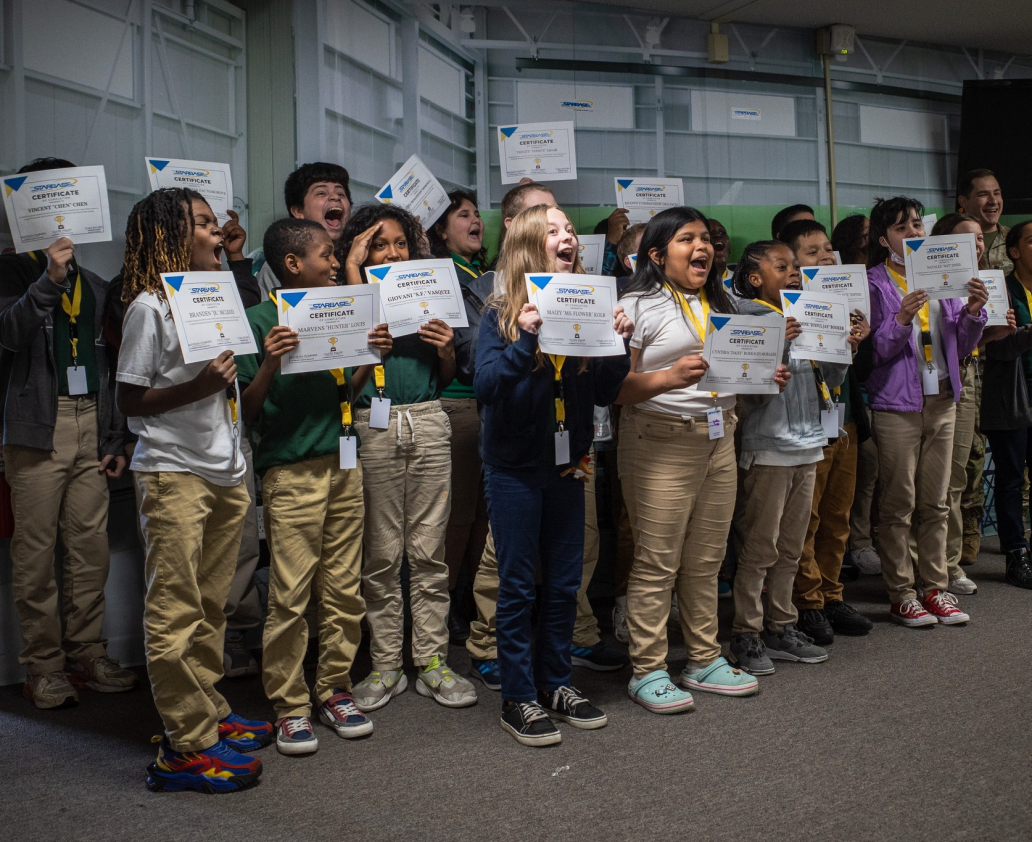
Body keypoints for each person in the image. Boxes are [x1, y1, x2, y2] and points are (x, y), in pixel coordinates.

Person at [116, 187, 272, 793]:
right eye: (204, 224)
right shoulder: (149, 308)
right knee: (175, 611)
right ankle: (184, 746)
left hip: (226, 469)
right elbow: (129, 401)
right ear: (170, 237)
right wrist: (201, 385)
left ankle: (209, 709)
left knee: (212, 606)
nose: (218, 232)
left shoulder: (215, 300)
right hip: (174, 472)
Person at [617, 208, 790, 712]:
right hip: (658, 439)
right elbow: (616, 390)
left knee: (706, 559)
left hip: (719, 436)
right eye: (686, 239)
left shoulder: (720, 301)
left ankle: (703, 659)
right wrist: (669, 377)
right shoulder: (636, 304)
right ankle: (647, 669)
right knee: (657, 560)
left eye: (705, 240)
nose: (702, 247)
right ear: (656, 254)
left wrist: (761, 378)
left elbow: (730, 373)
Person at [475, 203, 632, 746]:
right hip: (514, 469)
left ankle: (557, 682)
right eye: (554, 231)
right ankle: (519, 696)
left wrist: (619, 343)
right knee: (518, 586)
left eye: (570, 230)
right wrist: (525, 339)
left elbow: (607, 393)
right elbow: (487, 389)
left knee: (565, 584)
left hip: (571, 464)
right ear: (527, 247)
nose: (569, 237)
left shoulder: (590, 307)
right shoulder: (498, 314)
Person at [237, 218, 392, 755]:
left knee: (344, 589)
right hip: (290, 471)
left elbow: (342, 391)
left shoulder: (342, 313)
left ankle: (334, 688)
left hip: (344, 464)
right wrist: (272, 361)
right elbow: (247, 411)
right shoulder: (258, 320)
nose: (336, 262)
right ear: (292, 265)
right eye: (328, 254)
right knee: (291, 594)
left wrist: (374, 355)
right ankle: (289, 705)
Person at [0, 157, 136, 710]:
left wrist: (111, 437)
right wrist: (47, 283)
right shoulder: (8, 272)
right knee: (35, 555)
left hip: (87, 423)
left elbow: (106, 363)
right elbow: (8, 336)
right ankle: (43, 666)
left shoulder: (96, 284)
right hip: (36, 428)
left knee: (90, 549)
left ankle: (87, 653)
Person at [340, 203, 479, 711]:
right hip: (370, 425)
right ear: (359, 248)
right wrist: (356, 273)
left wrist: (445, 351)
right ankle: (385, 665)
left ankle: (432, 662)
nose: (393, 252)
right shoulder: (345, 296)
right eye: (379, 244)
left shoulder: (428, 296)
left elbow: (441, 379)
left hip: (426, 419)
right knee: (380, 554)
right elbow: (343, 375)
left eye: (400, 243)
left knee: (428, 552)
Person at [729, 241, 851, 674]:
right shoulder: (747, 319)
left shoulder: (808, 313)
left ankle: (782, 626)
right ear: (757, 278)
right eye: (782, 266)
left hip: (809, 444)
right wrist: (780, 343)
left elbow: (829, 380)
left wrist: (843, 345)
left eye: (796, 266)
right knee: (759, 547)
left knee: (792, 548)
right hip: (768, 448)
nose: (794, 272)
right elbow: (748, 388)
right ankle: (746, 631)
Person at [865, 196, 986, 627]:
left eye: (917, 224)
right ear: (884, 240)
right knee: (898, 503)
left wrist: (974, 312)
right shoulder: (875, 281)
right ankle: (901, 593)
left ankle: (936, 588)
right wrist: (900, 318)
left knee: (936, 502)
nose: (914, 233)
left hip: (943, 398)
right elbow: (875, 353)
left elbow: (964, 344)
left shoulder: (946, 274)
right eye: (902, 228)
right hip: (897, 403)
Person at [778, 220, 876, 643]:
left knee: (838, 514)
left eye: (829, 249)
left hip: (845, 416)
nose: (827, 258)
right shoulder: (786, 312)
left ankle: (832, 594)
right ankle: (807, 601)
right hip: (806, 424)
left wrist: (855, 341)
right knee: (807, 518)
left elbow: (860, 371)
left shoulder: (846, 302)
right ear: (794, 264)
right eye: (813, 252)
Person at [428, 190, 491, 643]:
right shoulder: (435, 273)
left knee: (486, 515)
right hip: (458, 402)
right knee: (460, 515)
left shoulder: (487, 274)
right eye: (462, 214)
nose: (475, 221)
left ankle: (473, 593)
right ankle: (449, 598)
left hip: (494, 403)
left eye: (476, 214)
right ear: (439, 227)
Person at [929, 213, 1004, 596]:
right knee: (932, 483)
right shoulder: (935, 281)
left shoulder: (982, 282)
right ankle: (929, 564)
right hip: (932, 383)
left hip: (968, 373)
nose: (975, 245)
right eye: (966, 239)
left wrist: (994, 326)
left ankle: (950, 563)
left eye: (978, 239)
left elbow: (969, 339)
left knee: (957, 476)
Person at [981, 219, 1032, 589]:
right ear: (1013, 252)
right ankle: (1015, 551)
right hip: (1013, 394)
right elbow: (997, 348)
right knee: (1012, 478)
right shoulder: (1000, 289)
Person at [251, 162, 353, 297]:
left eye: (341, 193)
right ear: (299, 211)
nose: (335, 197)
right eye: (321, 193)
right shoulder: (280, 267)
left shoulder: (360, 255)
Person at [957, 168, 1010, 274]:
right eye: (983, 194)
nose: (993, 201)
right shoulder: (950, 245)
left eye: (996, 193)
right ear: (963, 202)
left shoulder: (1017, 240)